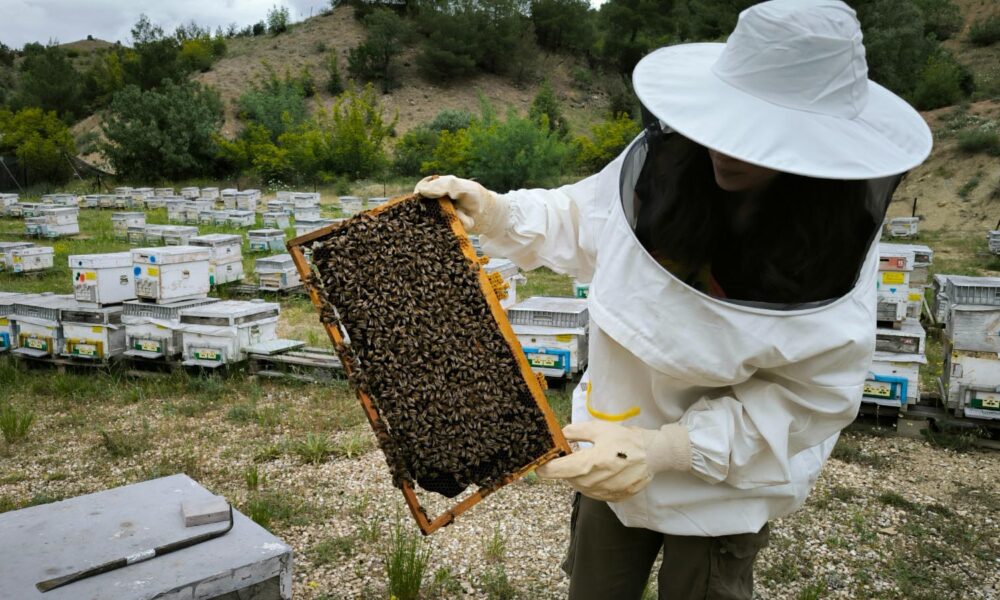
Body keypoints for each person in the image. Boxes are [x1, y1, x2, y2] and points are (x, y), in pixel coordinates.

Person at [416, 0, 931, 598]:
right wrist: (501, 211)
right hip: (609, 438)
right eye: (725, 124)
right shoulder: (666, 164)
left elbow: (808, 398)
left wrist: (668, 449)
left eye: (758, 136)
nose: (727, 149)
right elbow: (583, 217)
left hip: (724, 486)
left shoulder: (832, 247)